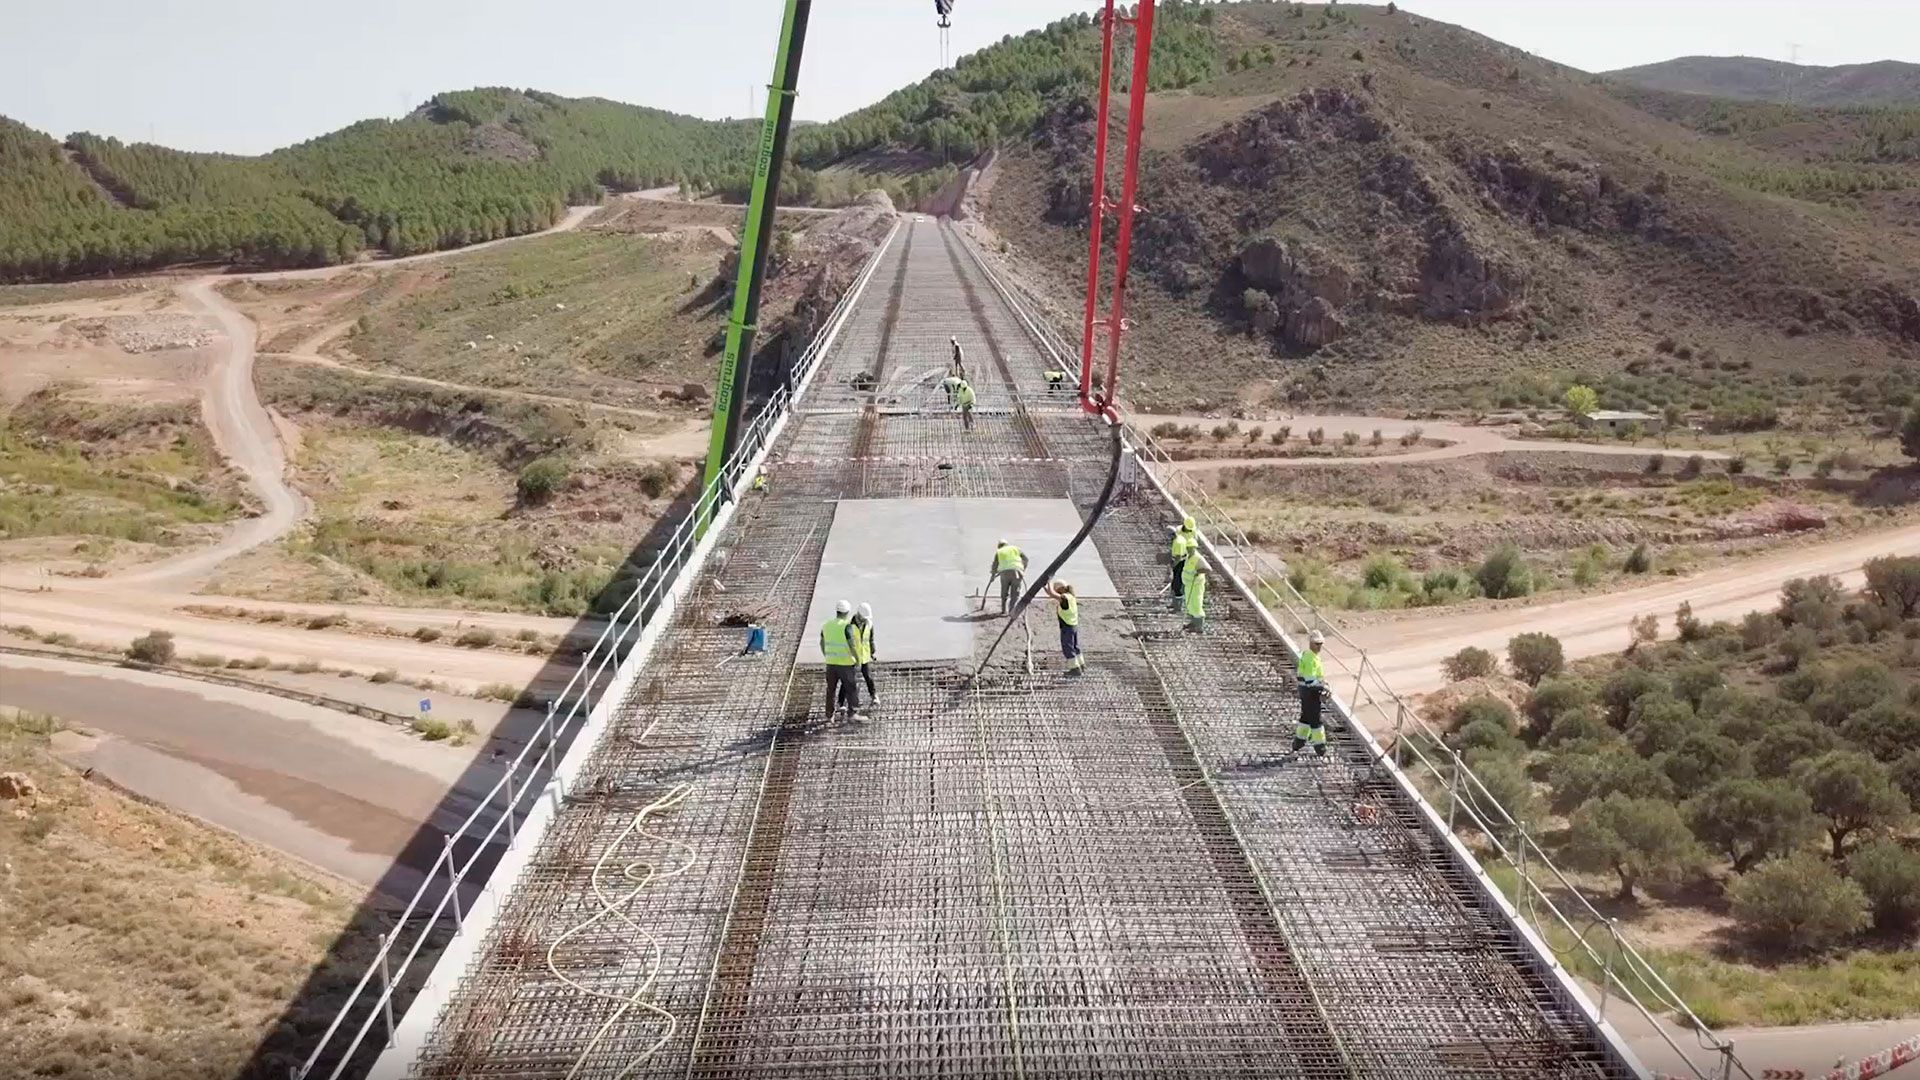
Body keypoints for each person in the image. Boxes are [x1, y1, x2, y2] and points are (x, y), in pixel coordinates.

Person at [1290, 630, 1329, 759]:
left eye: (1321, 644)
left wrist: (1322, 684)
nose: (1319, 647)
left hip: (1307, 691)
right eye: (1317, 644)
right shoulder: (1310, 657)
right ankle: (1320, 748)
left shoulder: (1312, 656)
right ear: (1311, 643)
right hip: (1310, 691)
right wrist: (1322, 687)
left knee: (1306, 718)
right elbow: (1310, 680)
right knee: (1316, 721)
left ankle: (1298, 743)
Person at [820, 600, 861, 717]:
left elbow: (821, 643)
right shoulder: (847, 626)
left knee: (831, 690)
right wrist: (857, 659)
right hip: (846, 664)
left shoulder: (826, 625)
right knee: (851, 689)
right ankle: (853, 714)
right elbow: (852, 645)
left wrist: (827, 655)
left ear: (837, 611)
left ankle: (829, 716)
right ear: (847, 612)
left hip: (831, 664)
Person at [1047, 579, 1084, 675]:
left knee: (1068, 648)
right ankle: (1081, 664)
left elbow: (1051, 593)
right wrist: (1044, 585)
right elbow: (1051, 593)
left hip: (1067, 627)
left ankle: (1075, 669)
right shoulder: (1071, 596)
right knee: (1075, 647)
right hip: (1073, 625)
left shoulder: (1064, 598)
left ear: (1060, 589)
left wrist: (1048, 581)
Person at [989, 538, 1028, 615]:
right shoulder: (1016, 549)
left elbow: (995, 565)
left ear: (999, 546)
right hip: (1017, 573)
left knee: (1004, 592)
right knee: (1015, 594)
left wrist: (993, 576)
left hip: (1004, 574)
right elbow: (1026, 559)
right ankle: (1012, 611)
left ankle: (1003, 611)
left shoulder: (999, 552)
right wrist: (1022, 569)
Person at [851, 602, 877, 703]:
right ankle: (842, 702)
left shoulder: (869, 624)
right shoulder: (850, 624)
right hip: (853, 657)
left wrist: (872, 652)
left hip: (864, 656)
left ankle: (874, 695)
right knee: (849, 679)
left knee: (868, 677)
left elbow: (870, 639)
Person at [1169, 516, 1198, 607]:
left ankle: (1179, 604)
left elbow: (1195, 543)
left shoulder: (1193, 531)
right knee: (1176, 581)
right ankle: (1175, 602)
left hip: (1185, 558)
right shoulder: (1178, 530)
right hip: (1179, 555)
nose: (1189, 531)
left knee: (1179, 581)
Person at [1184, 567, 1207, 633]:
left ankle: (1199, 626)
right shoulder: (1189, 558)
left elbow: (1206, 569)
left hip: (1196, 585)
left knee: (1197, 605)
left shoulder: (1197, 558)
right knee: (1190, 605)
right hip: (1190, 584)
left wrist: (1198, 573)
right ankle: (1193, 623)